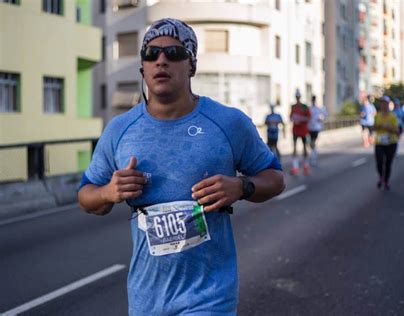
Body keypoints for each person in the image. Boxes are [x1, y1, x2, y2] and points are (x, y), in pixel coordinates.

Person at [77, 18, 285, 315]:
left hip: (210, 296)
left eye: (173, 53)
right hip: (146, 299)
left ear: (192, 66)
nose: (161, 60)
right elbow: (85, 195)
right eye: (151, 54)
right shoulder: (120, 130)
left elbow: (275, 178)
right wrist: (109, 193)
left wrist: (241, 187)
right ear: (143, 69)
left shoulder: (228, 122)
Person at [374, 96, 399, 190]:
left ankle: (386, 181)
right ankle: (381, 177)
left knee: (388, 163)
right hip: (380, 142)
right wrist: (379, 126)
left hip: (391, 142)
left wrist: (389, 128)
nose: (384, 105)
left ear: (388, 105)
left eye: (385, 103)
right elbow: (374, 127)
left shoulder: (392, 116)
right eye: (382, 103)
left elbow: (397, 131)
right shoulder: (377, 115)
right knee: (379, 161)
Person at [289, 89, 311, 175]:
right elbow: (290, 117)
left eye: (298, 97)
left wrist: (301, 119)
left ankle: (306, 165)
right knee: (294, 148)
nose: (297, 98)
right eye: (296, 97)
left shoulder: (305, 106)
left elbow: (309, 118)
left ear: (300, 97)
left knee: (305, 147)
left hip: (304, 130)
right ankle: (295, 167)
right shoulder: (293, 106)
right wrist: (293, 118)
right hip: (295, 130)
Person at [308, 95, 328, 165]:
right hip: (309, 128)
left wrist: (321, 119)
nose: (313, 101)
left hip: (316, 128)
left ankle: (313, 158)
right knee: (311, 143)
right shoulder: (309, 108)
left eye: (313, 99)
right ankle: (314, 154)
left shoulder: (318, 108)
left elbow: (325, 114)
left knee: (312, 142)